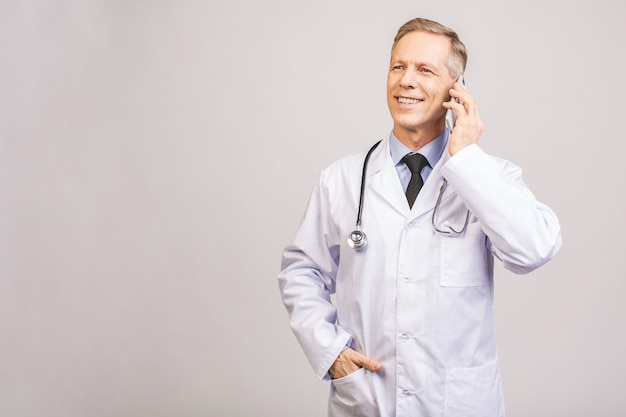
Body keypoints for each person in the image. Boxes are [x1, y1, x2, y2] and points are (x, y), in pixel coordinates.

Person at [277, 17, 562, 417]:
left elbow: (533, 250)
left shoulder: (490, 177)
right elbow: (300, 271)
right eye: (398, 66)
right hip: (367, 398)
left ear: (456, 88)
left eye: (425, 70)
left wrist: (466, 161)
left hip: (458, 403)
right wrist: (331, 352)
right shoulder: (342, 179)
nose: (406, 80)